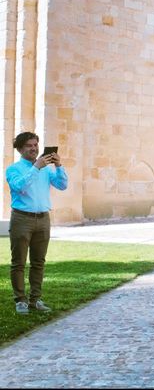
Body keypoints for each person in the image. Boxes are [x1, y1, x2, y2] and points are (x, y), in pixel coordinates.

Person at [6, 132, 68, 315]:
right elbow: (19, 187)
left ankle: (36, 299)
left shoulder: (46, 170)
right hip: (21, 219)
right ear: (20, 149)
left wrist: (58, 165)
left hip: (43, 219)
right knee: (18, 262)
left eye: (35, 145)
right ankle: (20, 301)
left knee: (38, 262)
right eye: (29, 146)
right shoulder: (13, 169)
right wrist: (36, 168)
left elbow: (62, 185)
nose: (34, 149)